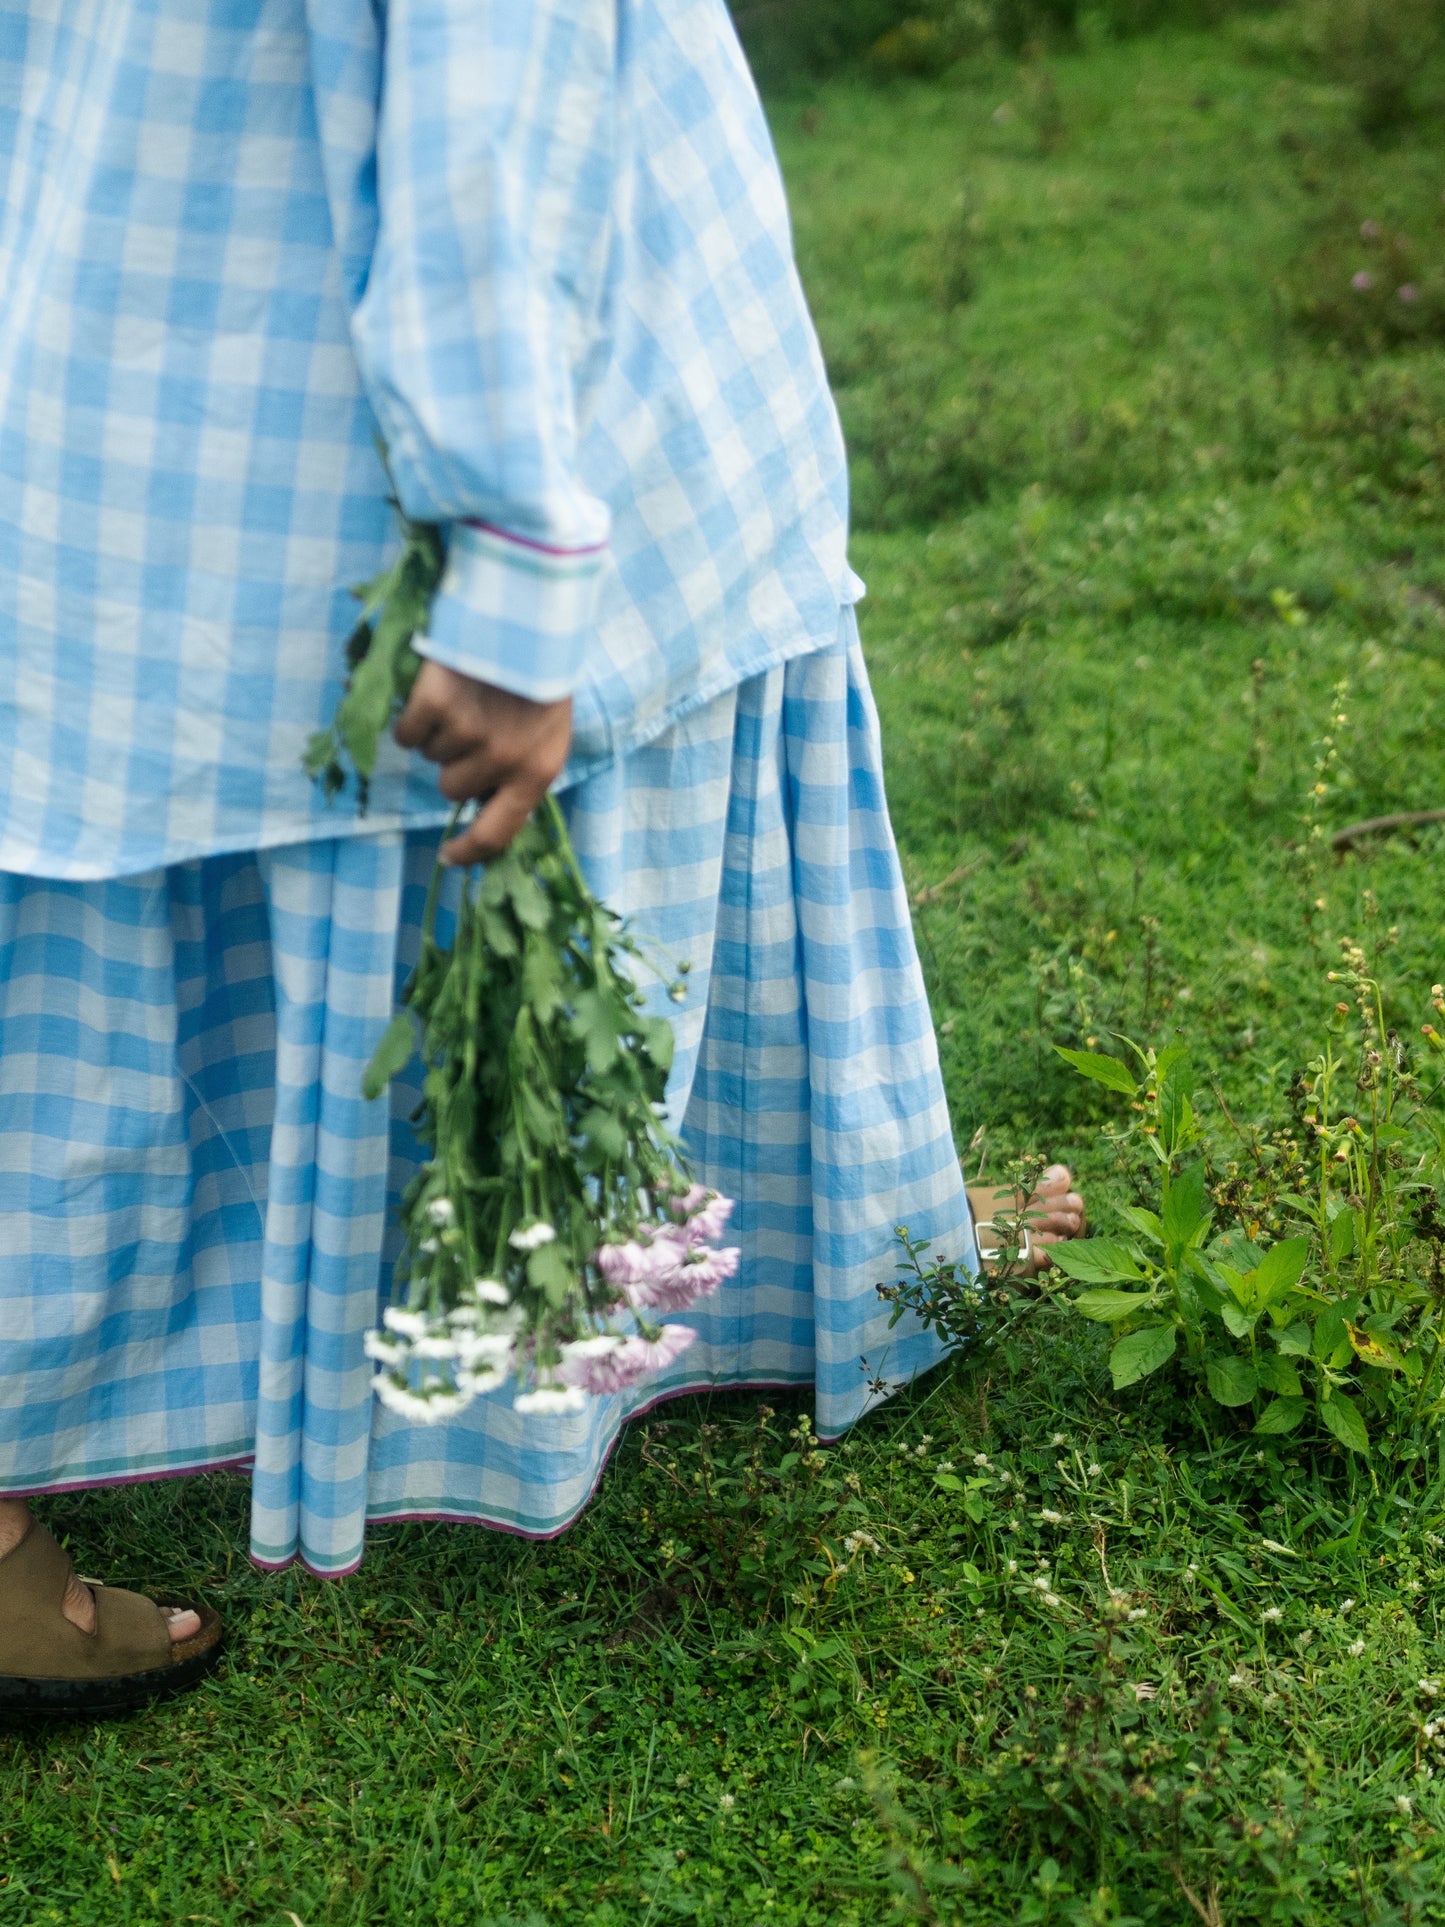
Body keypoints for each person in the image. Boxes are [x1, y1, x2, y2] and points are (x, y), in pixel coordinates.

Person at [0, 0, 1084, 1714]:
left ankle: (837, 1251)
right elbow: (482, 78)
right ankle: (838, 1262)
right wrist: (512, 552)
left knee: (91, 873)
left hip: (100, 314)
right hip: (370, 392)